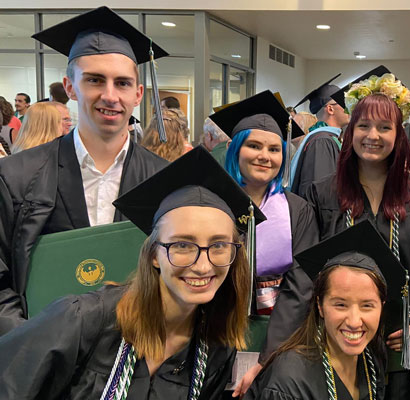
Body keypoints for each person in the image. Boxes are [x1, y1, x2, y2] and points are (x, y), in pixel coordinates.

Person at [0, 145, 259, 399]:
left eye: (219, 245)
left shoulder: (216, 348)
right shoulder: (81, 320)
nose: (203, 266)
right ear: (154, 254)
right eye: (182, 245)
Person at [266, 67, 410, 399]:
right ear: (350, 131)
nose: (373, 135)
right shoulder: (323, 194)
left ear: (398, 135)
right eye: (364, 125)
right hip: (339, 332)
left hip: (400, 335)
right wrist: (271, 353)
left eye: (385, 127)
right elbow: (304, 272)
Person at [0, 7, 169, 335]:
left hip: (134, 354)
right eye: (94, 80)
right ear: (71, 87)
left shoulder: (164, 181)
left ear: (137, 94)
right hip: (41, 354)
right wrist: (30, 342)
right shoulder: (15, 176)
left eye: (122, 83)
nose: (110, 95)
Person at [209, 90, 319, 396]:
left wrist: (268, 354)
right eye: (253, 146)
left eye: (274, 149)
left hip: (279, 331)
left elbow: (301, 284)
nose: (264, 156)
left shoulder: (298, 210)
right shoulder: (210, 203)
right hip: (215, 328)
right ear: (235, 150)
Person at [247, 221, 399, 400]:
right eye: (340, 305)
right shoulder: (289, 378)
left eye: (367, 305)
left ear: (382, 306)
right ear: (320, 305)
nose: (354, 321)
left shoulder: (372, 359)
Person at [290, 73, 349, 198]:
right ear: (330, 109)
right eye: (343, 104)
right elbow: (321, 194)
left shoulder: (327, 138)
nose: (348, 108)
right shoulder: (322, 141)